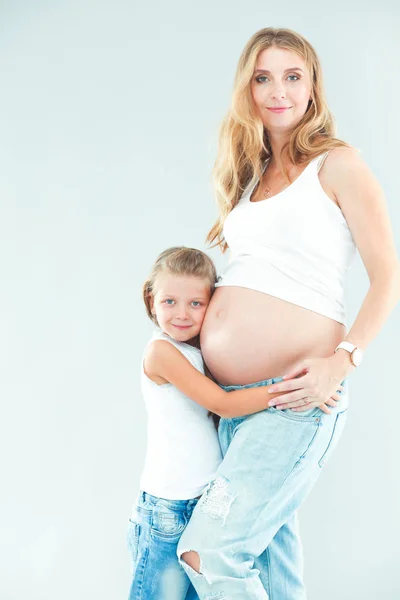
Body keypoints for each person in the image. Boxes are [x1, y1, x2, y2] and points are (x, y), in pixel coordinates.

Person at [177, 27, 400, 599]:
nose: (278, 90)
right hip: (233, 407)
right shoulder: (250, 180)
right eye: (262, 77)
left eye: (292, 76)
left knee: (210, 552)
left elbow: (389, 277)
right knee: (273, 578)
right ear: (246, 90)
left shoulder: (337, 164)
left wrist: (344, 359)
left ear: (312, 87)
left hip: (294, 397)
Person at [126, 246, 331, 599]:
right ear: (151, 300)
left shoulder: (198, 351)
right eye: (169, 301)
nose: (182, 314)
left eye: (196, 303)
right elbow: (223, 403)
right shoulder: (162, 353)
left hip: (204, 504)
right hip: (167, 511)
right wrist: (294, 390)